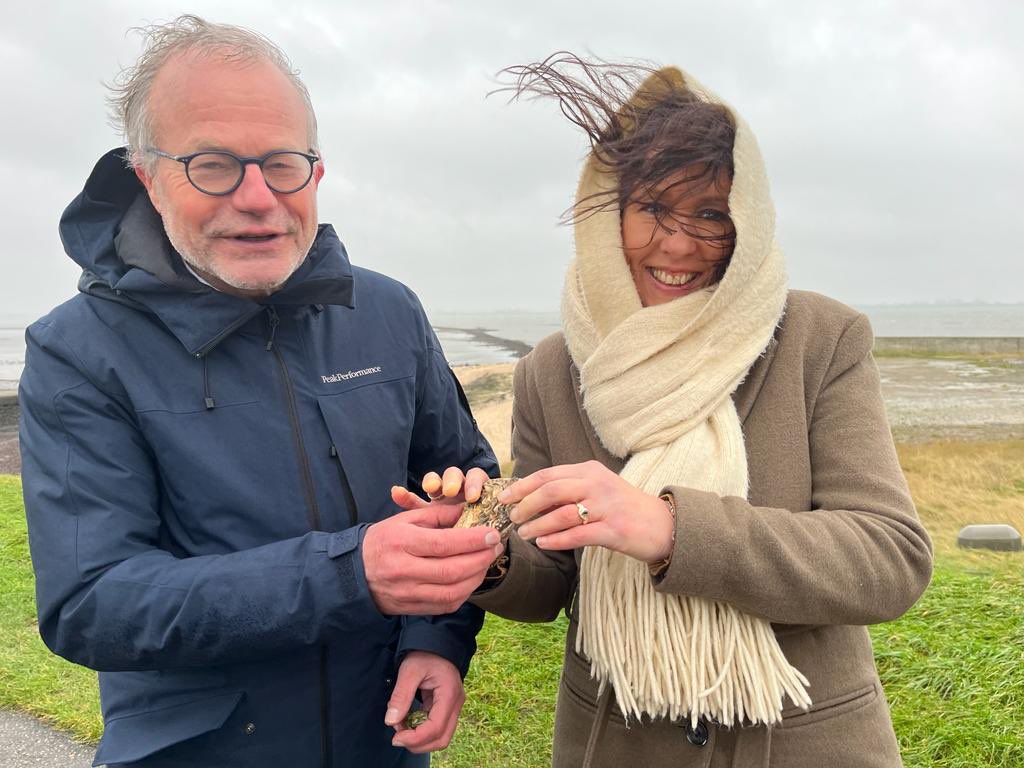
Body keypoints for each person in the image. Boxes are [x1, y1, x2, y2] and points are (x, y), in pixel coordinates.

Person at [18, 15, 502, 767]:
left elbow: (467, 483)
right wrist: (351, 573)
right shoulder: (78, 351)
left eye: (282, 164)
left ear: (316, 170)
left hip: (382, 744)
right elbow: (91, 605)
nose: (257, 197)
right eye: (213, 164)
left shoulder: (388, 312)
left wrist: (437, 640)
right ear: (146, 175)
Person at [466, 54, 934, 767]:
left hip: (803, 742)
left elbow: (888, 558)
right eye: (654, 208)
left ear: (748, 221)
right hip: (616, 744)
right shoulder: (551, 371)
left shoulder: (820, 338)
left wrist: (670, 528)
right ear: (608, 213)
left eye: (711, 216)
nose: (680, 245)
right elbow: (550, 581)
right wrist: (490, 550)